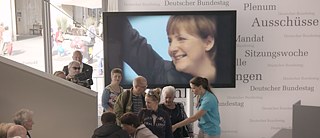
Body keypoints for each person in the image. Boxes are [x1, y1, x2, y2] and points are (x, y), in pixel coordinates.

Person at [106, 15, 219, 86]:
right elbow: (129, 41)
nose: (172, 49)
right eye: (170, 41)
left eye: (181, 39)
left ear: (208, 43)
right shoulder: (162, 73)